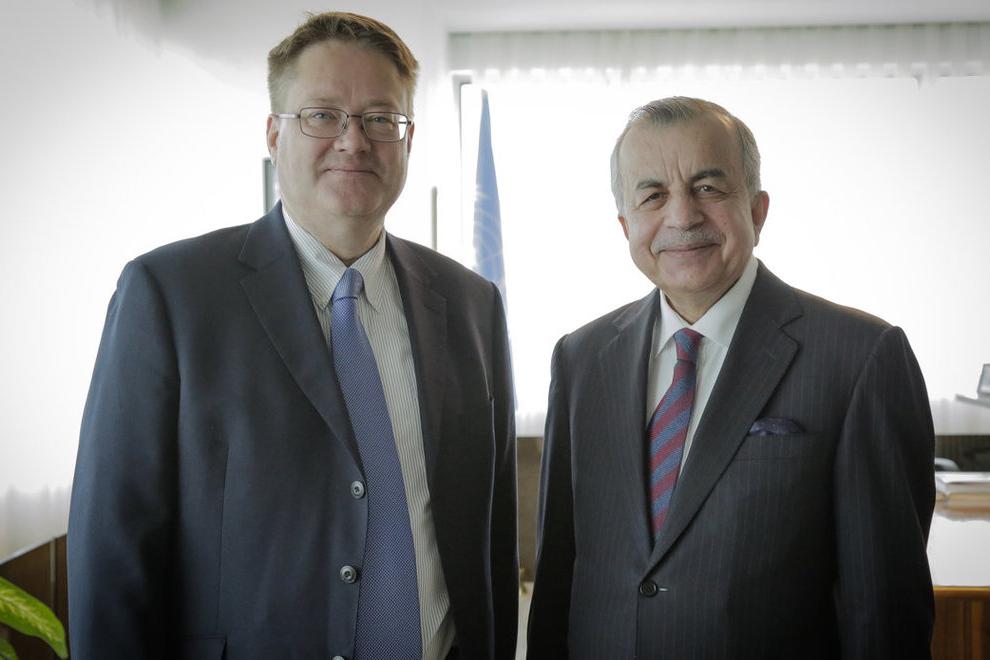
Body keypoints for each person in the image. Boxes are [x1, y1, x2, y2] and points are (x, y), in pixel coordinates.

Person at [68, 12, 517, 660]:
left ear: (408, 139)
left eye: (380, 118)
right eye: (322, 115)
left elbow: (490, 538)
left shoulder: (472, 304)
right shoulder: (170, 295)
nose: (353, 142)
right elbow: (115, 547)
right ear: (274, 134)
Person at [527, 96, 934, 659]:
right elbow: (559, 578)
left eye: (708, 188)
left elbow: (884, 610)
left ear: (757, 211)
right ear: (626, 225)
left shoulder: (861, 357)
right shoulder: (580, 358)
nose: (682, 217)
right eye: (652, 196)